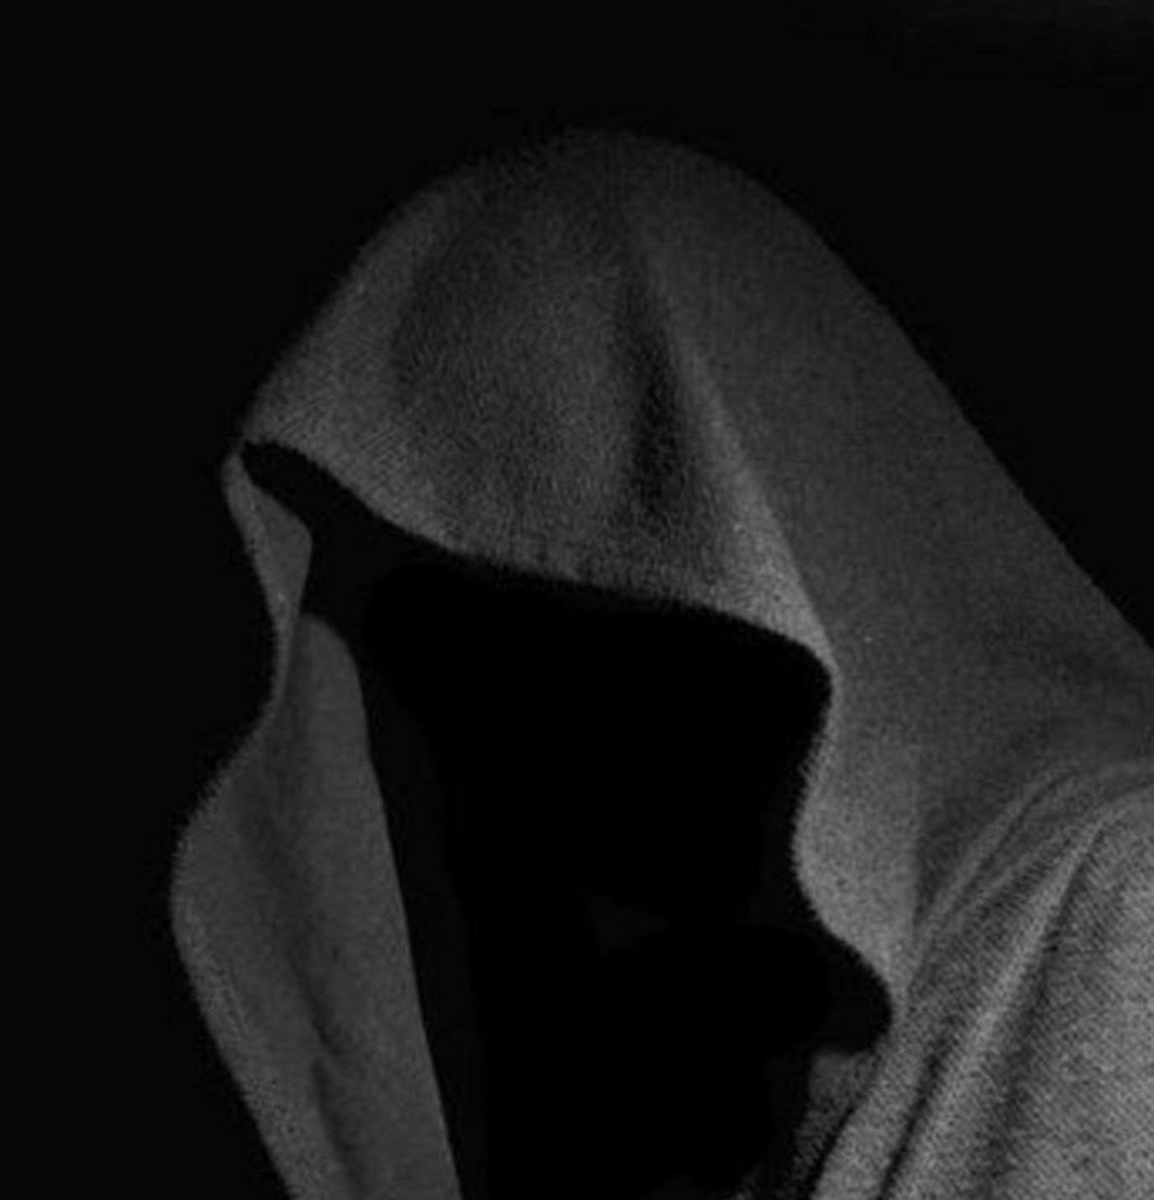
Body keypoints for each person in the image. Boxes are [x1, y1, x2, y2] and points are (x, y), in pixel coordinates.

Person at [172, 130, 1154, 1198]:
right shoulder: (683, 1036)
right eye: (459, 652)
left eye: (607, 606)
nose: (528, 740)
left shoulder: (1114, 907)